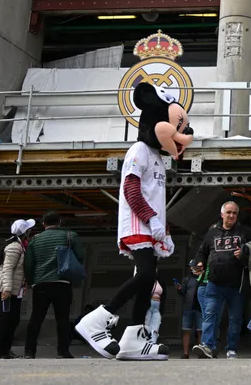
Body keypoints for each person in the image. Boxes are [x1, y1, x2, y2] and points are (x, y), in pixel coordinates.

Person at [76, 82, 189, 361]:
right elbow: (130, 189)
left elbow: (155, 197)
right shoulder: (138, 150)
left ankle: (133, 339)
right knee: (148, 275)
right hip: (138, 224)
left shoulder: (157, 158)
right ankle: (98, 320)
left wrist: (165, 231)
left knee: (148, 281)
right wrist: (151, 219)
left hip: (151, 228)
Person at [192, 200, 251, 359]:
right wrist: (199, 263)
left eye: (235, 213)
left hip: (237, 285)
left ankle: (231, 349)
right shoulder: (212, 233)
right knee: (210, 315)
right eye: (229, 212)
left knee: (235, 318)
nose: (232, 215)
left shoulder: (245, 231)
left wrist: (244, 254)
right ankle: (207, 346)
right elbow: (202, 253)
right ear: (222, 214)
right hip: (214, 283)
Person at [24, 211, 85, 359]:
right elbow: (80, 256)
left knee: (36, 318)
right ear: (60, 222)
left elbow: (29, 263)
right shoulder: (70, 236)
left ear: (43, 224)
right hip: (62, 282)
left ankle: (29, 352)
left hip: (40, 284)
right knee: (63, 318)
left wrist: (31, 281)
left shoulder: (35, 240)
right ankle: (63, 351)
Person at [0, 218, 35, 360]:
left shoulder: (20, 246)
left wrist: (23, 284)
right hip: (5, 289)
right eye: (29, 229)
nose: (31, 231)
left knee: (12, 320)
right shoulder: (14, 247)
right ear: (25, 232)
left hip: (14, 290)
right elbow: (8, 269)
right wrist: (7, 290)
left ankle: (4, 351)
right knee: (3, 320)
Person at [175, 260, 204, 359]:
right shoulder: (187, 279)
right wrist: (179, 289)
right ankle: (186, 353)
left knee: (201, 331)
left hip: (200, 308)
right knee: (186, 331)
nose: (191, 268)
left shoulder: (203, 278)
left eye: (193, 266)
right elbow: (183, 293)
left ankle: (202, 352)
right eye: (190, 267)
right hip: (188, 308)